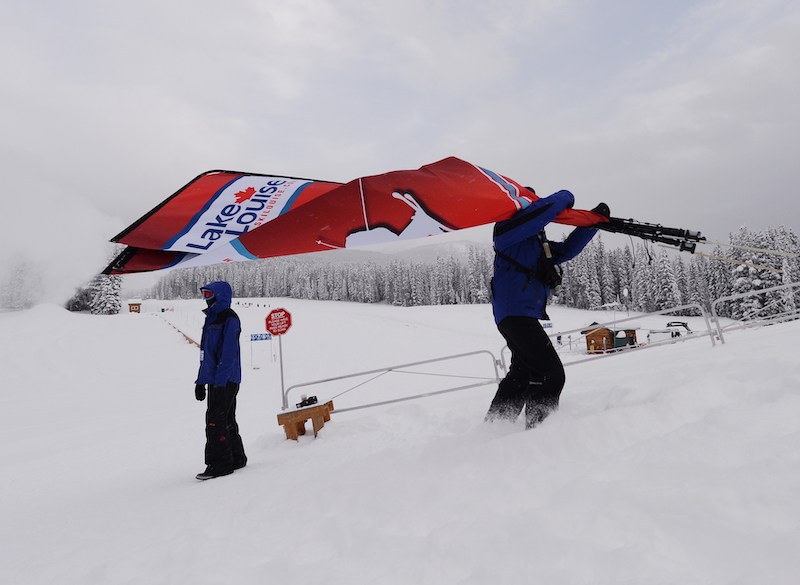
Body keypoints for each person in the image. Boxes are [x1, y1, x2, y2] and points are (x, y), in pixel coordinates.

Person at [486, 189, 608, 429]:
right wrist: (566, 195)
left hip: (520, 314)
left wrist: (592, 223)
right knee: (550, 374)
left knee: (522, 372)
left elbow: (566, 250)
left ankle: (495, 426)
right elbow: (543, 211)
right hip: (515, 314)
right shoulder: (506, 230)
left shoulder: (535, 244)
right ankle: (539, 433)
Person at [194, 281, 247, 480]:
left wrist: (220, 382)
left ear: (220, 295)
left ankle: (220, 464)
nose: (207, 298)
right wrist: (200, 382)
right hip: (215, 379)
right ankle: (237, 457)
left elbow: (228, 353)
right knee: (226, 418)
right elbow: (206, 356)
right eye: (204, 294)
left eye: (209, 294)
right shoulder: (211, 319)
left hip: (226, 379)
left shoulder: (229, 318)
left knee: (215, 421)